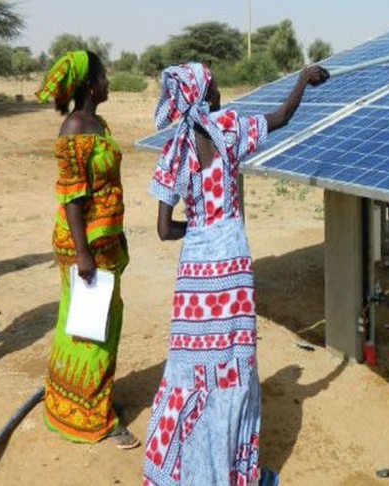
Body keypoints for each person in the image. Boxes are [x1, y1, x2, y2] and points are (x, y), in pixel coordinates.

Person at [143, 62, 328, 485]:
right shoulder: (229, 130)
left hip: (194, 277)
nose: (222, 94)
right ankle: (229, 470)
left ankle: (182, 471)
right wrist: (303, 79)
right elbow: (280, 118)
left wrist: (200, 229)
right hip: (232, 271)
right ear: (206, 96)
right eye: (217, 88)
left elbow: (162, 229)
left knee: (190, 371)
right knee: (233, 367)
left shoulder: (174, 150)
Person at [35, 50, 138, 449]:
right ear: (91, 84)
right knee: (92, 328)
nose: (109, 81)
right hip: (85, 246)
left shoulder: (98, 123)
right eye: (104, 76)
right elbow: (73, 198)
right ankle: (92, 416)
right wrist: (83, 254)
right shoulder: (75, 126)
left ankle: (78, 400)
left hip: (103, 243)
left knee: (90, 322)